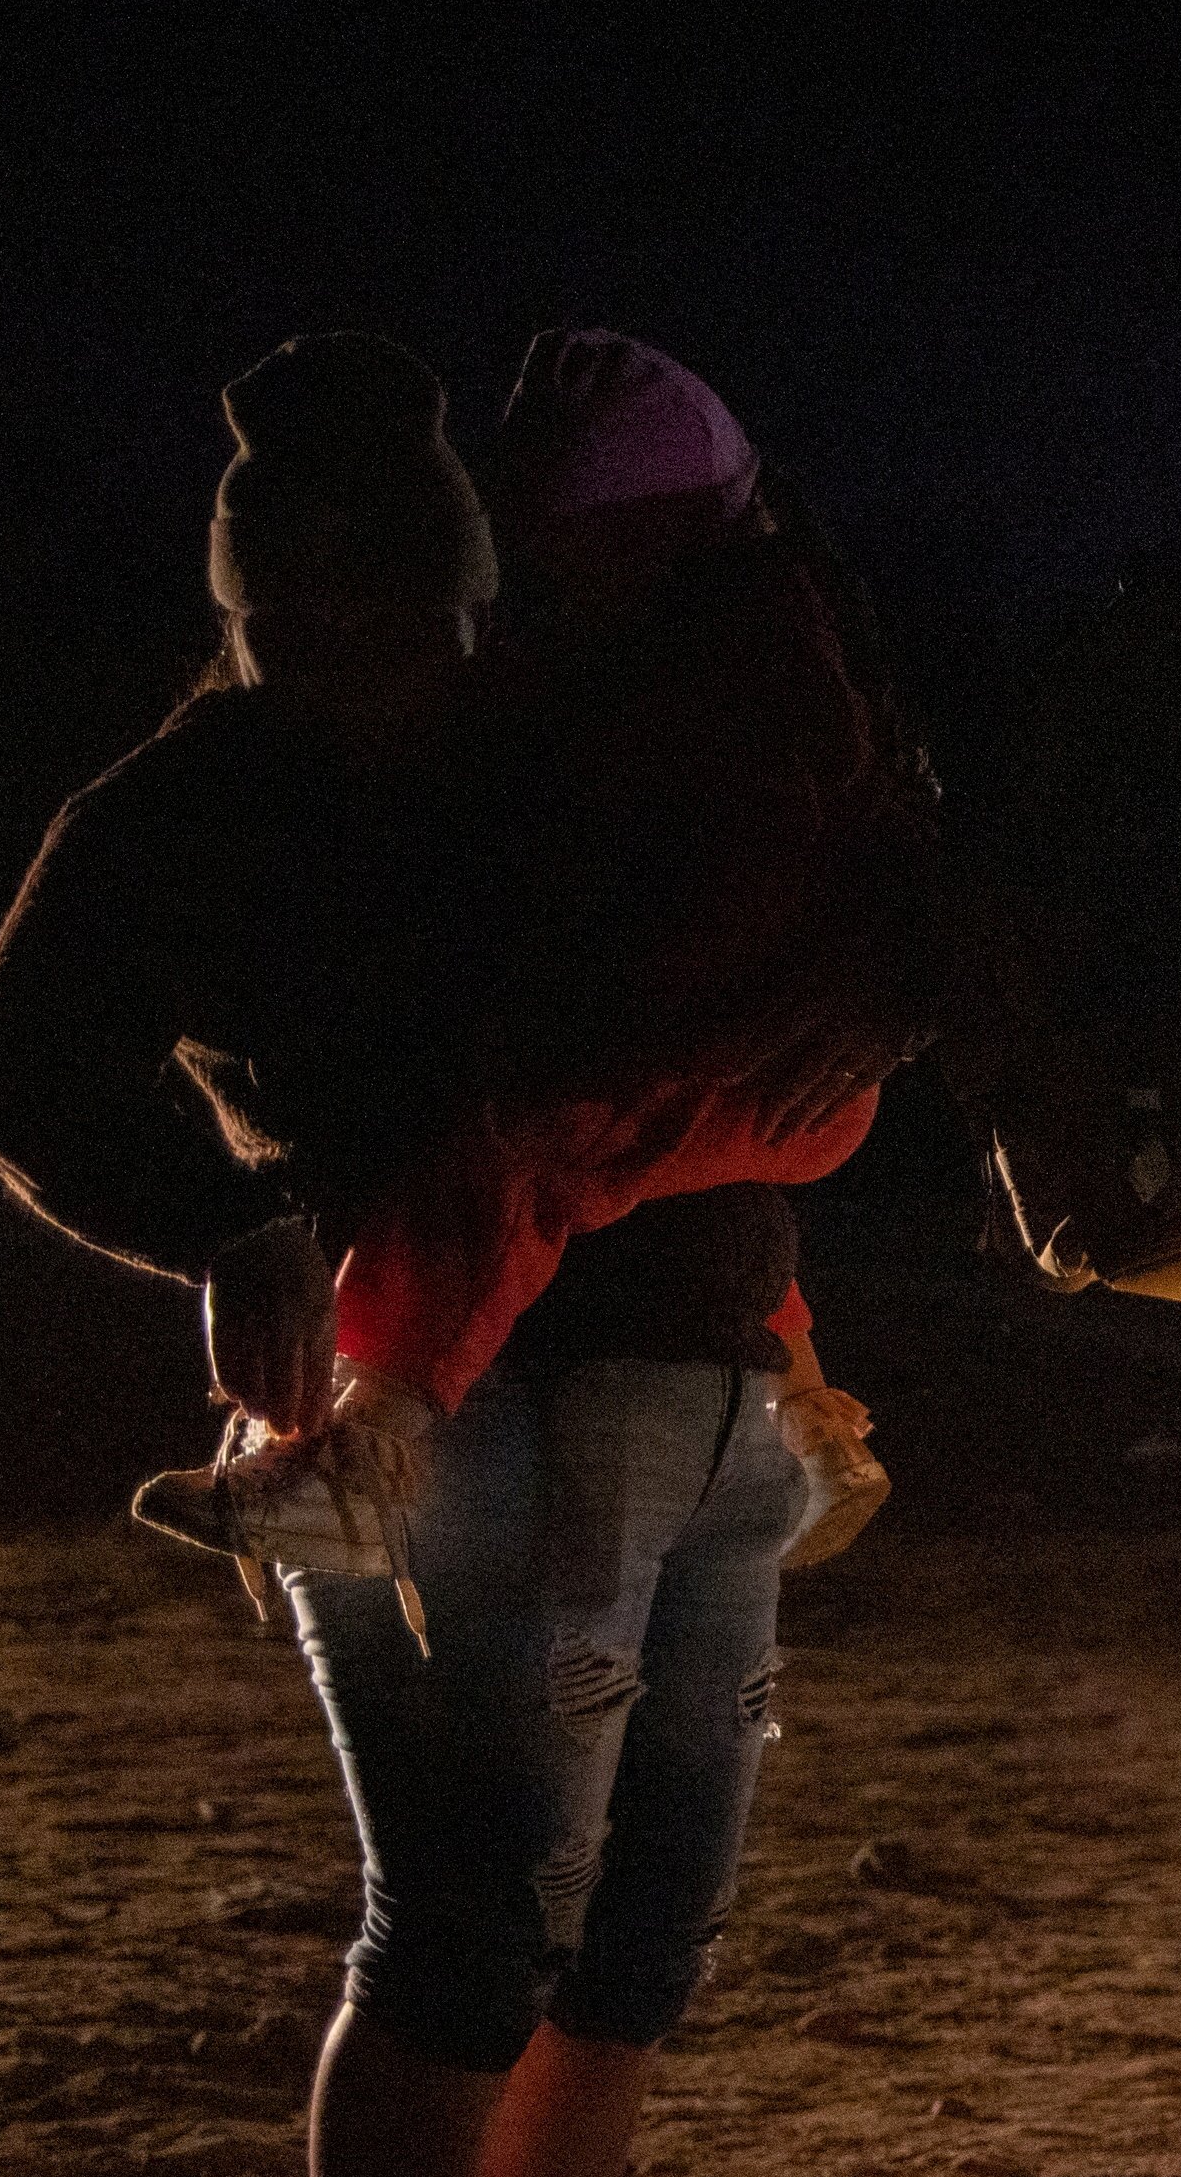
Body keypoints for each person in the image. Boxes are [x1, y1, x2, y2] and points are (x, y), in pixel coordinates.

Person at [0, 334, 881, 2177]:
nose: (366, 669)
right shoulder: (204, 795)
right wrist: (235, 1221)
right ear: (255, 612)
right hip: (421, 1402)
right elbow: (19, 1074)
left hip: (678, 1379)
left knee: (630, 1928)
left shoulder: (538, 742)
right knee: (466, 1917)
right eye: (312, 630)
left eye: (407, 621)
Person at [127, 327, 918, 1581]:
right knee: (660, 1159)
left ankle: (364, 1445)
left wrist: (617, 1006)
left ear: (638, 533)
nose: (544, 587)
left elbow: (752, 881)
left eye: (566, 553)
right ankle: (818, 1428)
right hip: (776, 1046)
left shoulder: (735, 668)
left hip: (766, 1039)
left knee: (530, 1137)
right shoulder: (739, 632)